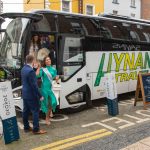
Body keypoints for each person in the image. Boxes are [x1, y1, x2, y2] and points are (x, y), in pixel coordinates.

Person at [21, 55, 46, 134]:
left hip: (25, 94)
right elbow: (34, 86)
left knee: (25, 111)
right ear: (32, 61)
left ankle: (26, 127)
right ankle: (36, 129)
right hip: (32, 95)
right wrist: (40, 96)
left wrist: (36, 68)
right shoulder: (31, 71)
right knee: (35, 111)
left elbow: (29, 76)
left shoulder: (24, 69)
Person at [36, 56, 59, 125]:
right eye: (47, 60)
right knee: (48, 104)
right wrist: (39, 68)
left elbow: (54, 77)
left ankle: (50, 111)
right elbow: (37, 76)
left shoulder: (54, 69)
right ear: (45, 62)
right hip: (44, 89)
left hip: (50, 88)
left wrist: (56, 78)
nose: (48, 60)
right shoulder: (43, 69)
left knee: (54, 102)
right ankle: (47, 119)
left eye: (49, 59)